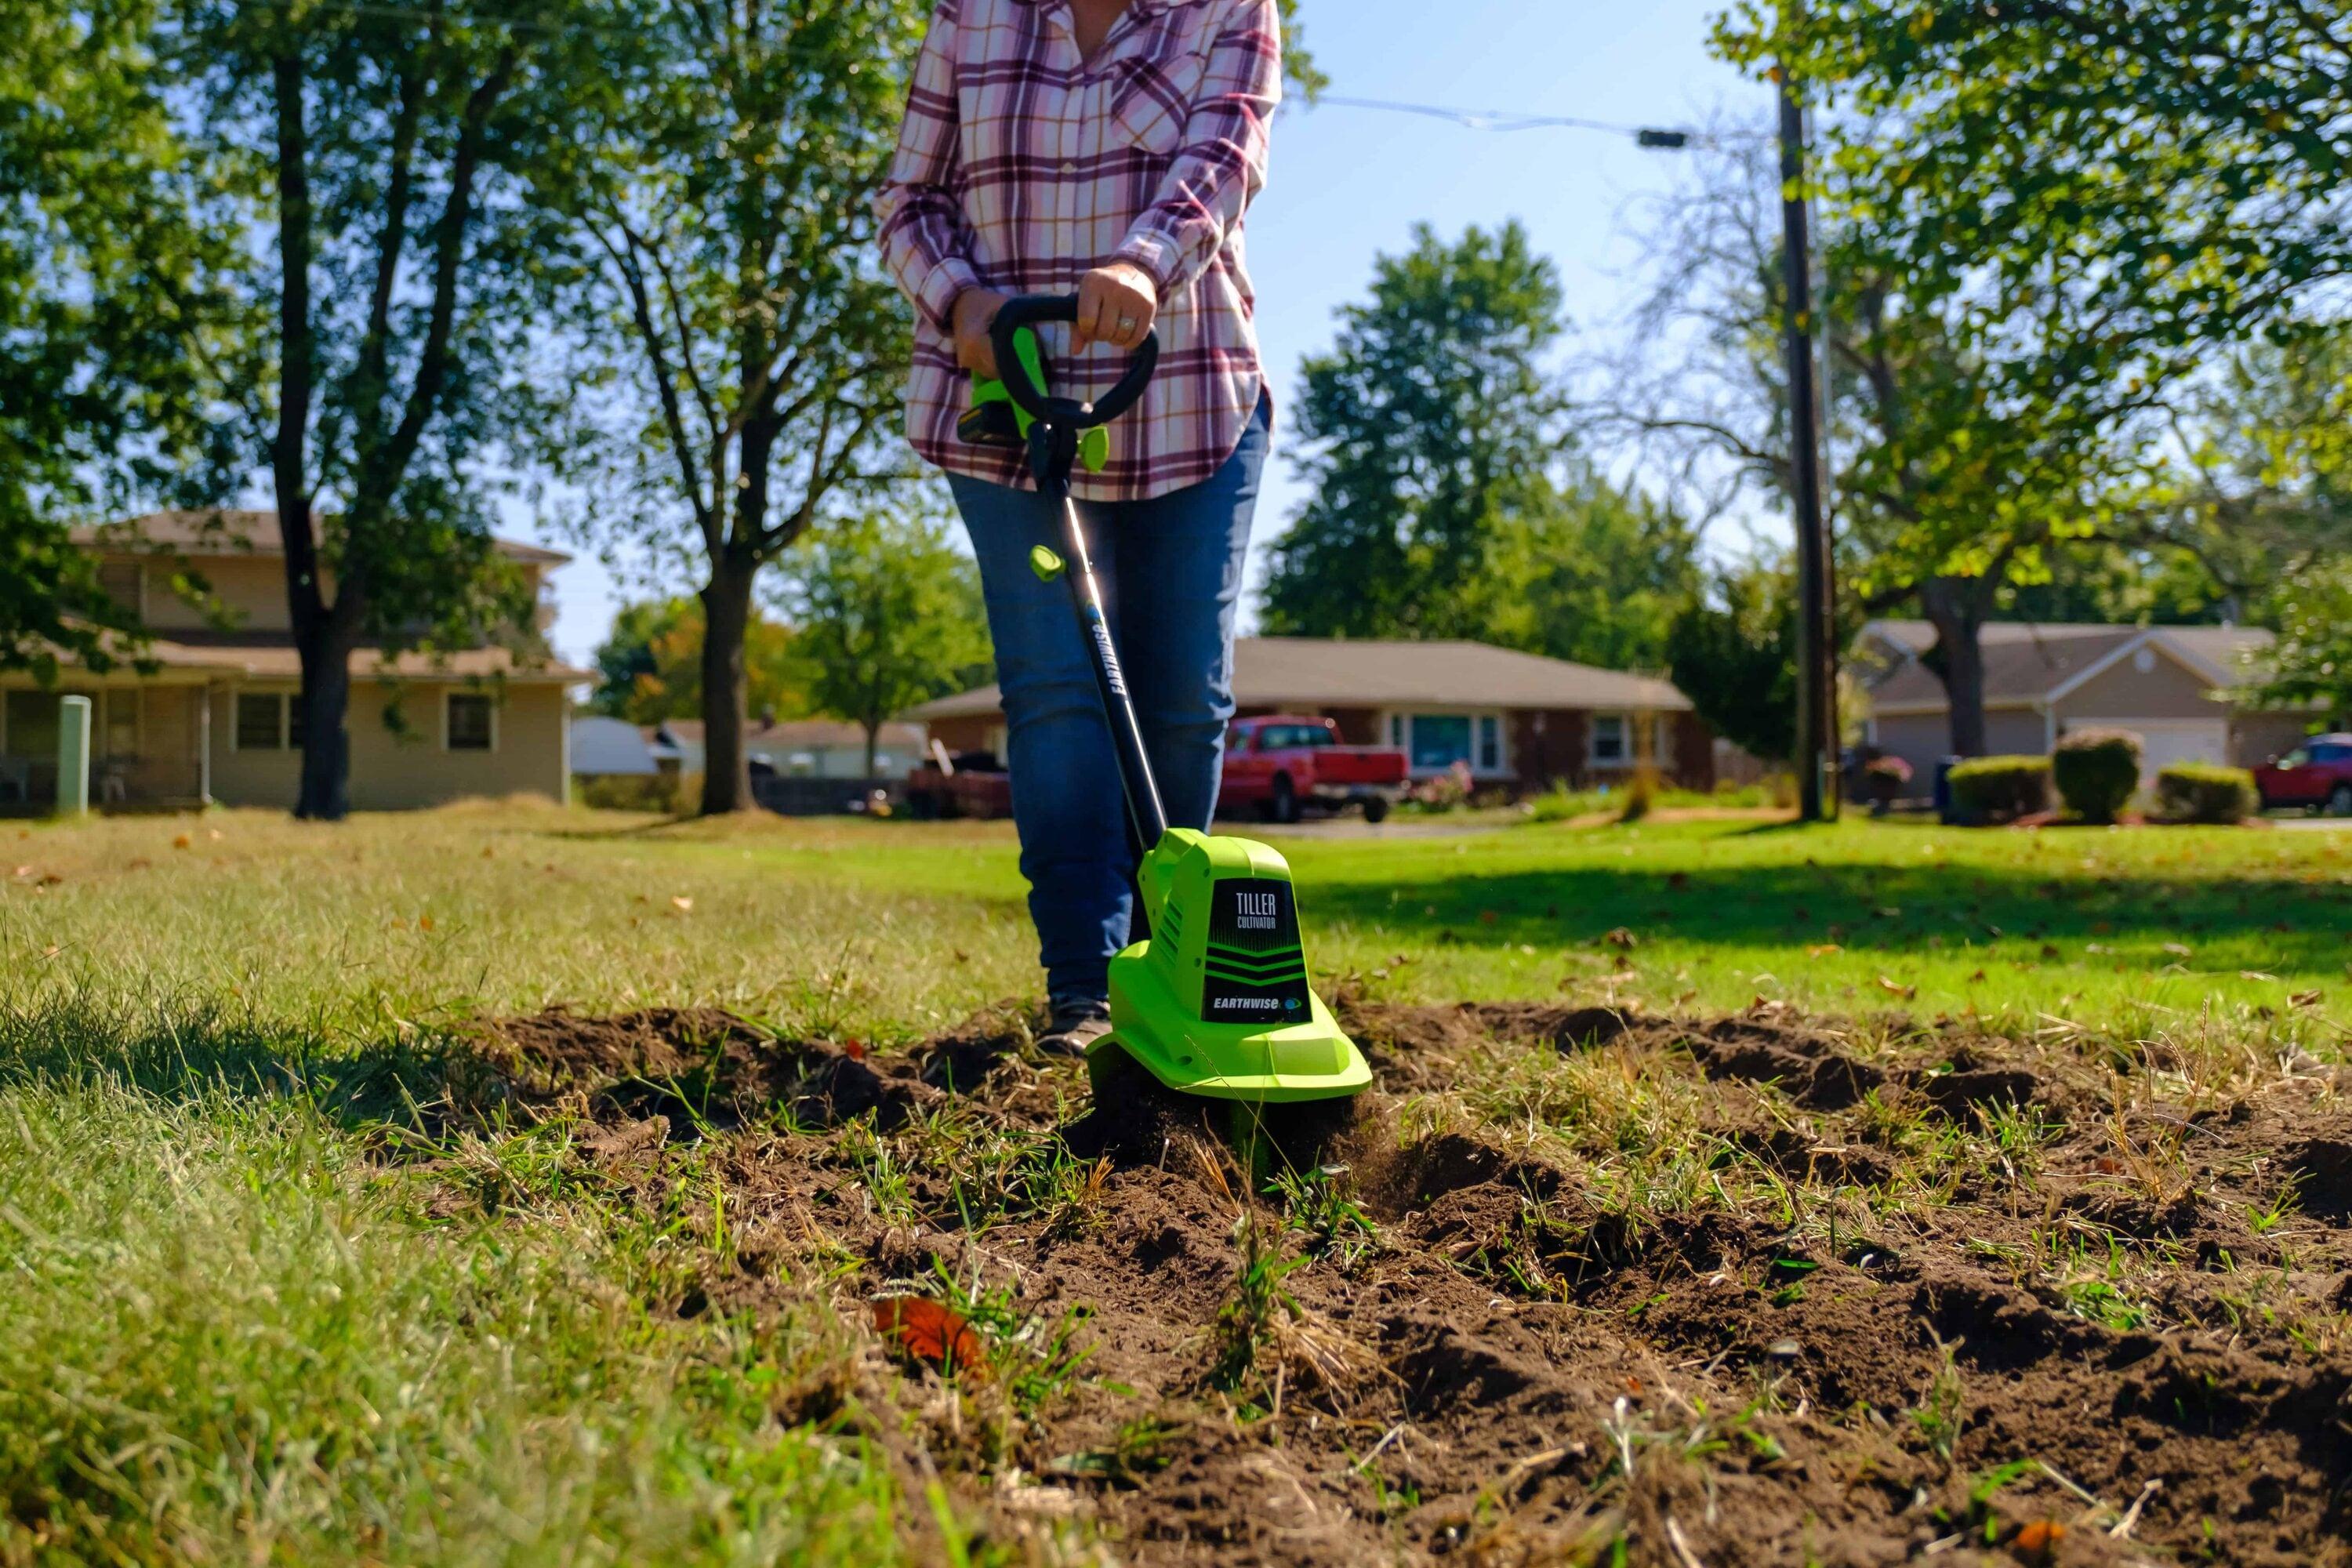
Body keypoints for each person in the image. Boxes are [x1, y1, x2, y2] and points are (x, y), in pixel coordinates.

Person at [876, 0, 1282, 1054]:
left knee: (1181, 696)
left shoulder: (1226, 10)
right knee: (1056, 695)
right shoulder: (974, 16)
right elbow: (909, 201)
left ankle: (1175, 971)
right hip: (1010, 397)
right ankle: (1085, 993)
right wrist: (959, 301)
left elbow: (1225, 154)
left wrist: (1146, 261)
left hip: (1188, 393)